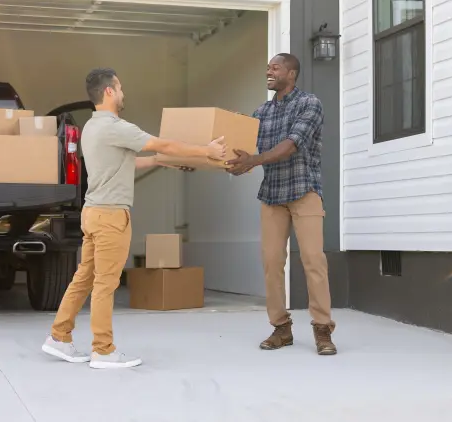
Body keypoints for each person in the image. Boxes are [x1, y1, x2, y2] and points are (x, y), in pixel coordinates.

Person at [41, 68, 228, 369]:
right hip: (112, 216)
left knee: (84, 278)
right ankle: (103, 350)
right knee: (105, 284)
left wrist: (162, 162)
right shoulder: (117, 127)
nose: (124, 93)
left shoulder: (91, 127)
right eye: (121, 87)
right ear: (110, 92)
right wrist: (206, 151)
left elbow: (130, 161)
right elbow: (162, 143)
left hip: (92, 213)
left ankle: (59, 337)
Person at [227, 53, 336, 356]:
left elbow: (290, 145)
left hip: (304, 190)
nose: (269, 72)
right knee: (272, 262)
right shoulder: (261, 112)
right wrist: (213, 158)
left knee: (314, 260)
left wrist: (253, 159)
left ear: (292, 73)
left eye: (275, 68)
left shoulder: (309, 104)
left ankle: (323, 330)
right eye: (268, 68)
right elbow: (245, 152)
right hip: (273, 195)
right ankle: (281, 328)